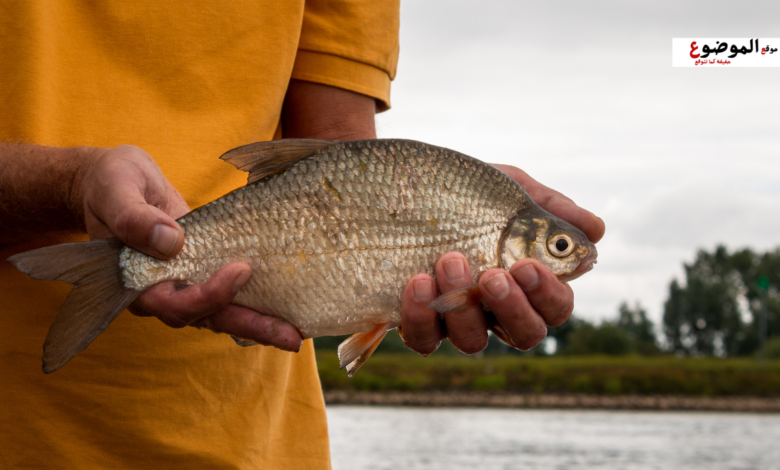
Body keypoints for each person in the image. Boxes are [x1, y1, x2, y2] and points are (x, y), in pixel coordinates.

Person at [0, 1, 605, 468]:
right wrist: (67, 184)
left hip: (253, 442)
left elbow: (341, 154)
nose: (568, 255)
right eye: (557, 246)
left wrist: (411, 211)